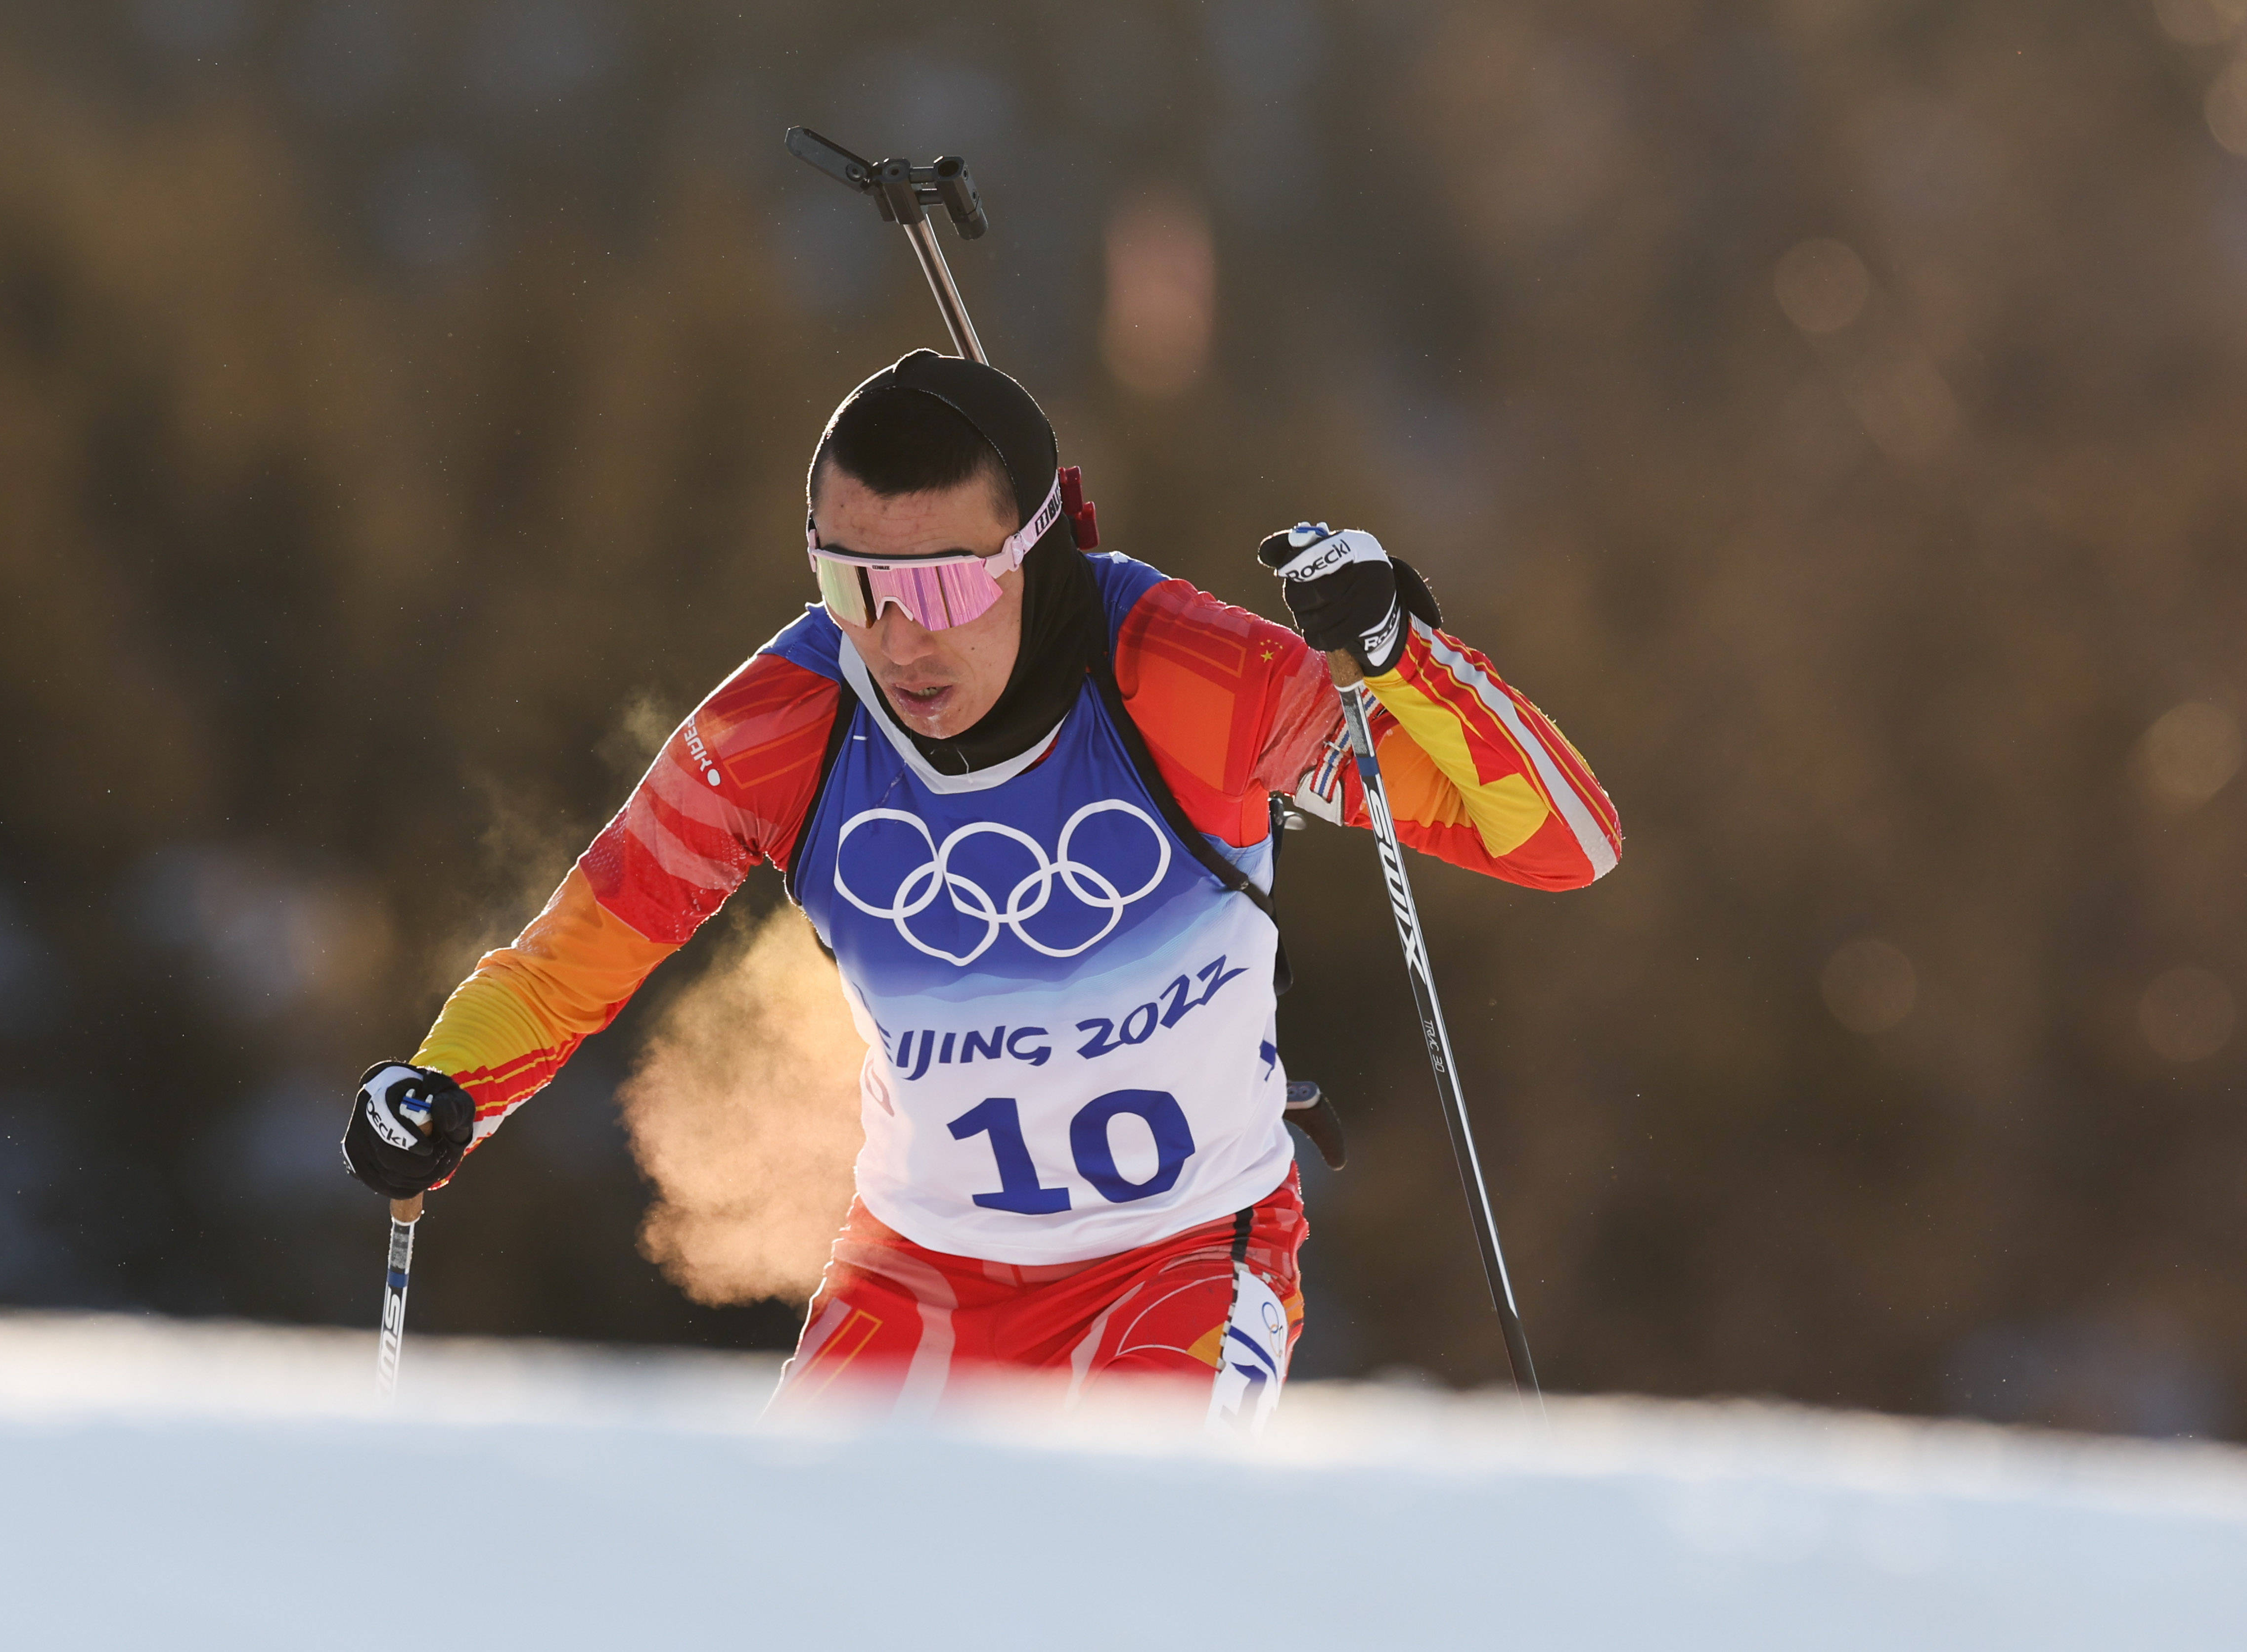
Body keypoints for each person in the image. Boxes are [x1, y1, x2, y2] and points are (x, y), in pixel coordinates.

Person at [341, 350, 1621, 1429]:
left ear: (1033, 547)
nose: (902, 639)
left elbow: (1562, 837)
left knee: (1108, 1584)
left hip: (1180, 1260)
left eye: (945, 583)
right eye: (855, 587)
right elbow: (573, 960)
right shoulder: (782, 726)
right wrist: (443, 1085)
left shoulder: (1181, 676)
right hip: (919, 1274)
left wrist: (1401, 654)